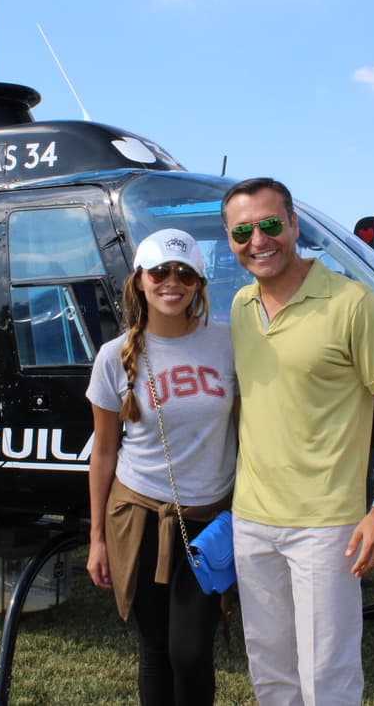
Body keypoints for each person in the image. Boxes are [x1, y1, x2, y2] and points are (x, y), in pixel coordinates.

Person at [220, 177, 374, 706]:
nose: (257, 240)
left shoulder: (353, 303)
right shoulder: (240, 307)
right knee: (270, 671)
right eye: (241, 232)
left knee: (327, 677)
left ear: (293, 224)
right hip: (252, 521)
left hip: (326, 527)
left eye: (269, 225)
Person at [85, 228, 237, 706]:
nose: (173, 282)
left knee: (190, 652)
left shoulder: (228, 344)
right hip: (138, 515)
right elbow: (104, 452)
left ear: (199, 284)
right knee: (155, 648)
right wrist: (97, 538)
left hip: (209, 520)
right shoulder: (114, 358)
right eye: (160, 272)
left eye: (186, 273)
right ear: (139, 280)